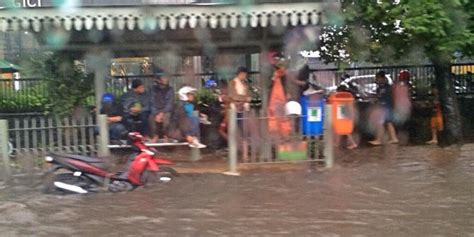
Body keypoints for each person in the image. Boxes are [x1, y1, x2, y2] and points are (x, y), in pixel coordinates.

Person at [369, 71, 399, 145]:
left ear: (382, 78)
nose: (376, 80)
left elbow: (389, 97)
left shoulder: (387, 87)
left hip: (386, 107)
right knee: (388, 122)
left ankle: (378, 140)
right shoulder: (380, 88)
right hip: (385, 106)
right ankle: (393, 138)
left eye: (377, 78)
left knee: (380, 123)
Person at [228, 67, 252, 160]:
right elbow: (232, 96)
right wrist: (243, 99)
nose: (244, 76)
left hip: (244, 109)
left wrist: (242, 99)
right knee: (234, 131)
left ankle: (245, 155)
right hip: (234, 109)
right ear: (240, 74)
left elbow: (248, 97)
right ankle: (234, 153)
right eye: (244, 74)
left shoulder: (245, 84)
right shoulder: (232, 83)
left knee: (244, 132)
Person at [149, 68, 174, 142]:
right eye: (164, 77)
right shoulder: (153, 89)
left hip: (166, 111)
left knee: (167, 118)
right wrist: (156, 113)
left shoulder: (170, 89)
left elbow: (170, 103)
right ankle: (155, 135)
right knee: (151, 118)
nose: (166, 79)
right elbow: (152, 102)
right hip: (156, 111)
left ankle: (166, 135)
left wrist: (162, 113)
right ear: (159, 79)